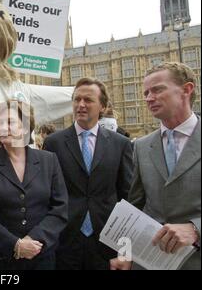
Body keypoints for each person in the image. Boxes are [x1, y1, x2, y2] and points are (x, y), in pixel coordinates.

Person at [111, 62, 200, 270]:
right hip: (151, 262)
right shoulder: (142, 146)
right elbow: (135, 208)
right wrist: (124, 253)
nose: (149, 98)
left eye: (158, 90)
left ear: (187, 90)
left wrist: (196, 230)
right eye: (146, 92)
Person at [43, 77, 133, 270]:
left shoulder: (120, 144)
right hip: (65, 241)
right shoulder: (53, 143)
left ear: (103, 106)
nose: (81, 105)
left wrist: (126, 250)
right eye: (77, 99)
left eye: (88, 100)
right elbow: (47, 194)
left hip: (107, 241)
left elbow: (128, 200)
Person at [0, 100, 68, 270]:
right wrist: (15, 245)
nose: (2, 128)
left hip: (41, 258)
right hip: (0, 260)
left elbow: (60, 208)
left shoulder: (49, 161)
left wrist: (35, 240)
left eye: (9, 122)